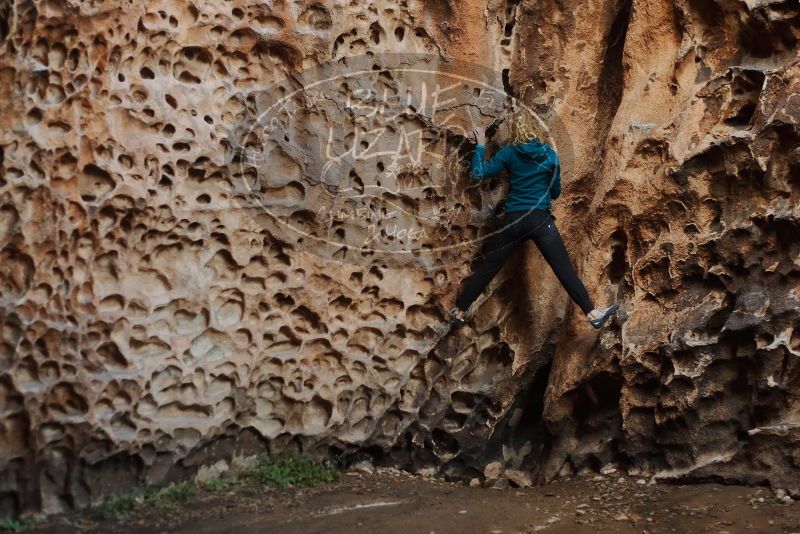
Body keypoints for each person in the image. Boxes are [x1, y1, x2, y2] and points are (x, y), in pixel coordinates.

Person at [450, 110, 619, 329]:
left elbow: (478, 173)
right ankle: (592, 313)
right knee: (564, 269)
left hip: (513, 220)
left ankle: (459, 310)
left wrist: (480, 144)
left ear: (515, 130)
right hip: (540, 221)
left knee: (489, 268)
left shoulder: (509, 154)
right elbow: (556, 192)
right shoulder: (550, 155)